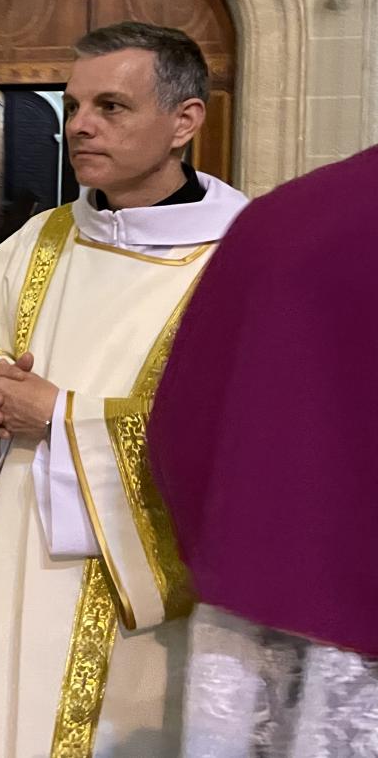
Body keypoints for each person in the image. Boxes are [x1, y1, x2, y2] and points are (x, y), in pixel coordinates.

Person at [0, 21, 249, 757]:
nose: (80, 127)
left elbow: (248, 433)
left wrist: (64, 419)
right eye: (73, 107)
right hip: (27, 548)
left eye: (111, 107)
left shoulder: (242, 256)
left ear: (184, 122)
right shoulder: (40, 241)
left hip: (148, 591)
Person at [148, 146, 378, 756]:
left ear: (185, 121)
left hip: (288, 622)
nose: (81, 125)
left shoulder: (282, 222)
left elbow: (186, 433)